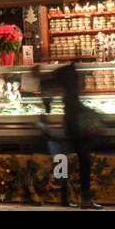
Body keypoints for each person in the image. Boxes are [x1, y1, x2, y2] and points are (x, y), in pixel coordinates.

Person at [39, 62, 102, 210]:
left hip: (69, 130)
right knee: (84, 161)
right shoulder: (71, 90)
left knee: (64, 161)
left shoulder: (66, 89)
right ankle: (85, 198)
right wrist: (94, 113)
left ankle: (64, 198)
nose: (81, 80)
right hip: (75, 132)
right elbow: (76, 107)